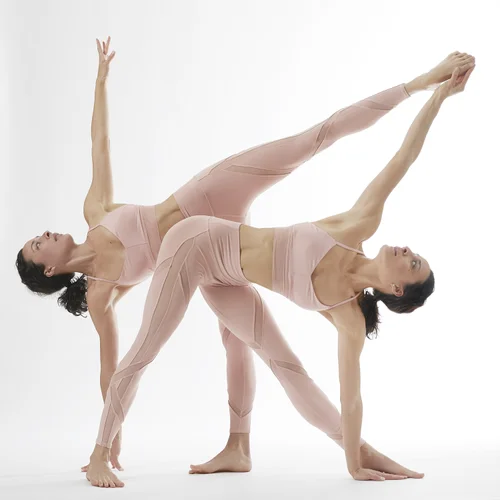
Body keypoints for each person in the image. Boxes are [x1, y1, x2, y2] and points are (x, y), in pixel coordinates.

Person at [77, 49, 475, 487]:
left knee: (288, 369)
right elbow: (403, 159)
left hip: (225, 277)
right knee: (145, 350)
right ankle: (99, 455)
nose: (407, 250)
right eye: (414, 254)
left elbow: (351, 397)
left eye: (412, 262)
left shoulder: (349, 319)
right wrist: (435, 94)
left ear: (397, 289)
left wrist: (354, 461)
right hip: (192, 243)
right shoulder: (358, 226)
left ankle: (268, 450)